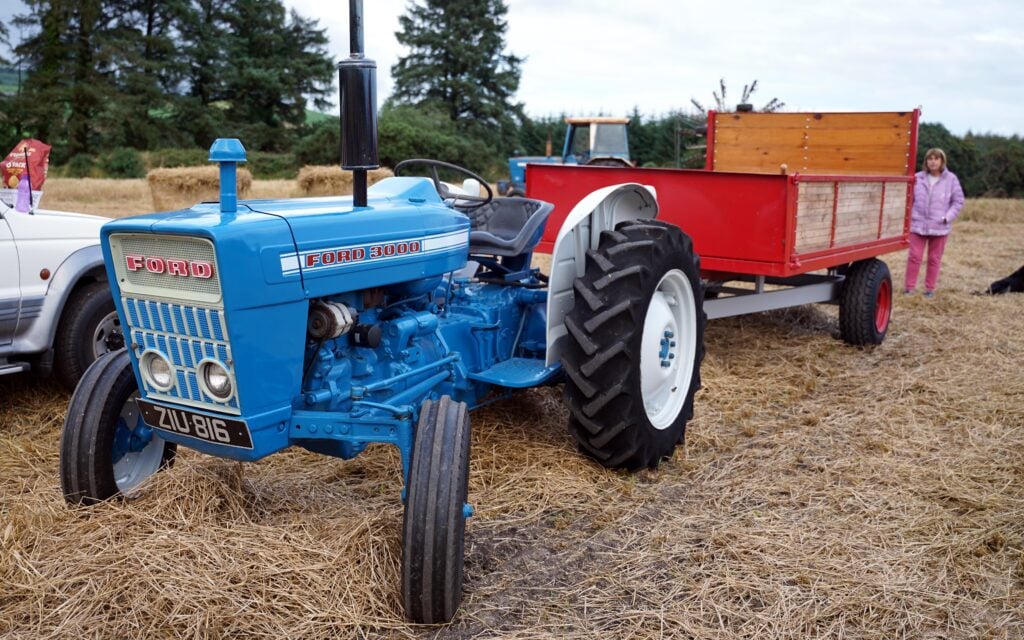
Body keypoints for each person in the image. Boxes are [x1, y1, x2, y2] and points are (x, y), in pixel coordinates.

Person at [905, 148, 964, 298]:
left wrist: (946, 218)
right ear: (926, 161)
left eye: (936, 159)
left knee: (934, 259)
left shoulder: (951, 179)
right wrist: (909, 216)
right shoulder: (917, 178)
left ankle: (929, 289)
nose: (933, 161)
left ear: (942, 161)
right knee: (914, 257)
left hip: (939, 227)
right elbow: (908, 199)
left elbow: (958, 201)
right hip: (917, 225)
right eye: (930, 159)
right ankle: (909, 288)